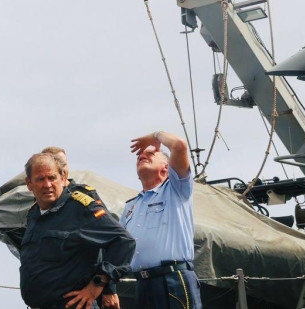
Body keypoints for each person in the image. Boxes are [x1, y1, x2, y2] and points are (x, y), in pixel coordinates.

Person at [19, 153, 134, 309]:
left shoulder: (80, 208)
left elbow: (124, 241)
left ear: (63, 178)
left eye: (52, 178)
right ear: (29, 183)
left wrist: (99, 283)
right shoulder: (34, 214)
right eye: (40, 179)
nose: (47, 184)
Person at [121, 131, 201, 309]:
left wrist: (155, 136)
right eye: (139, 157)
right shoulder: (131, 206)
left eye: (150, 154)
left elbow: (179, 145)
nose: (142, 156)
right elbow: (119, 245)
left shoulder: (176, 189)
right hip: (143, 284)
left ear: (166, 167)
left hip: (173, 280)